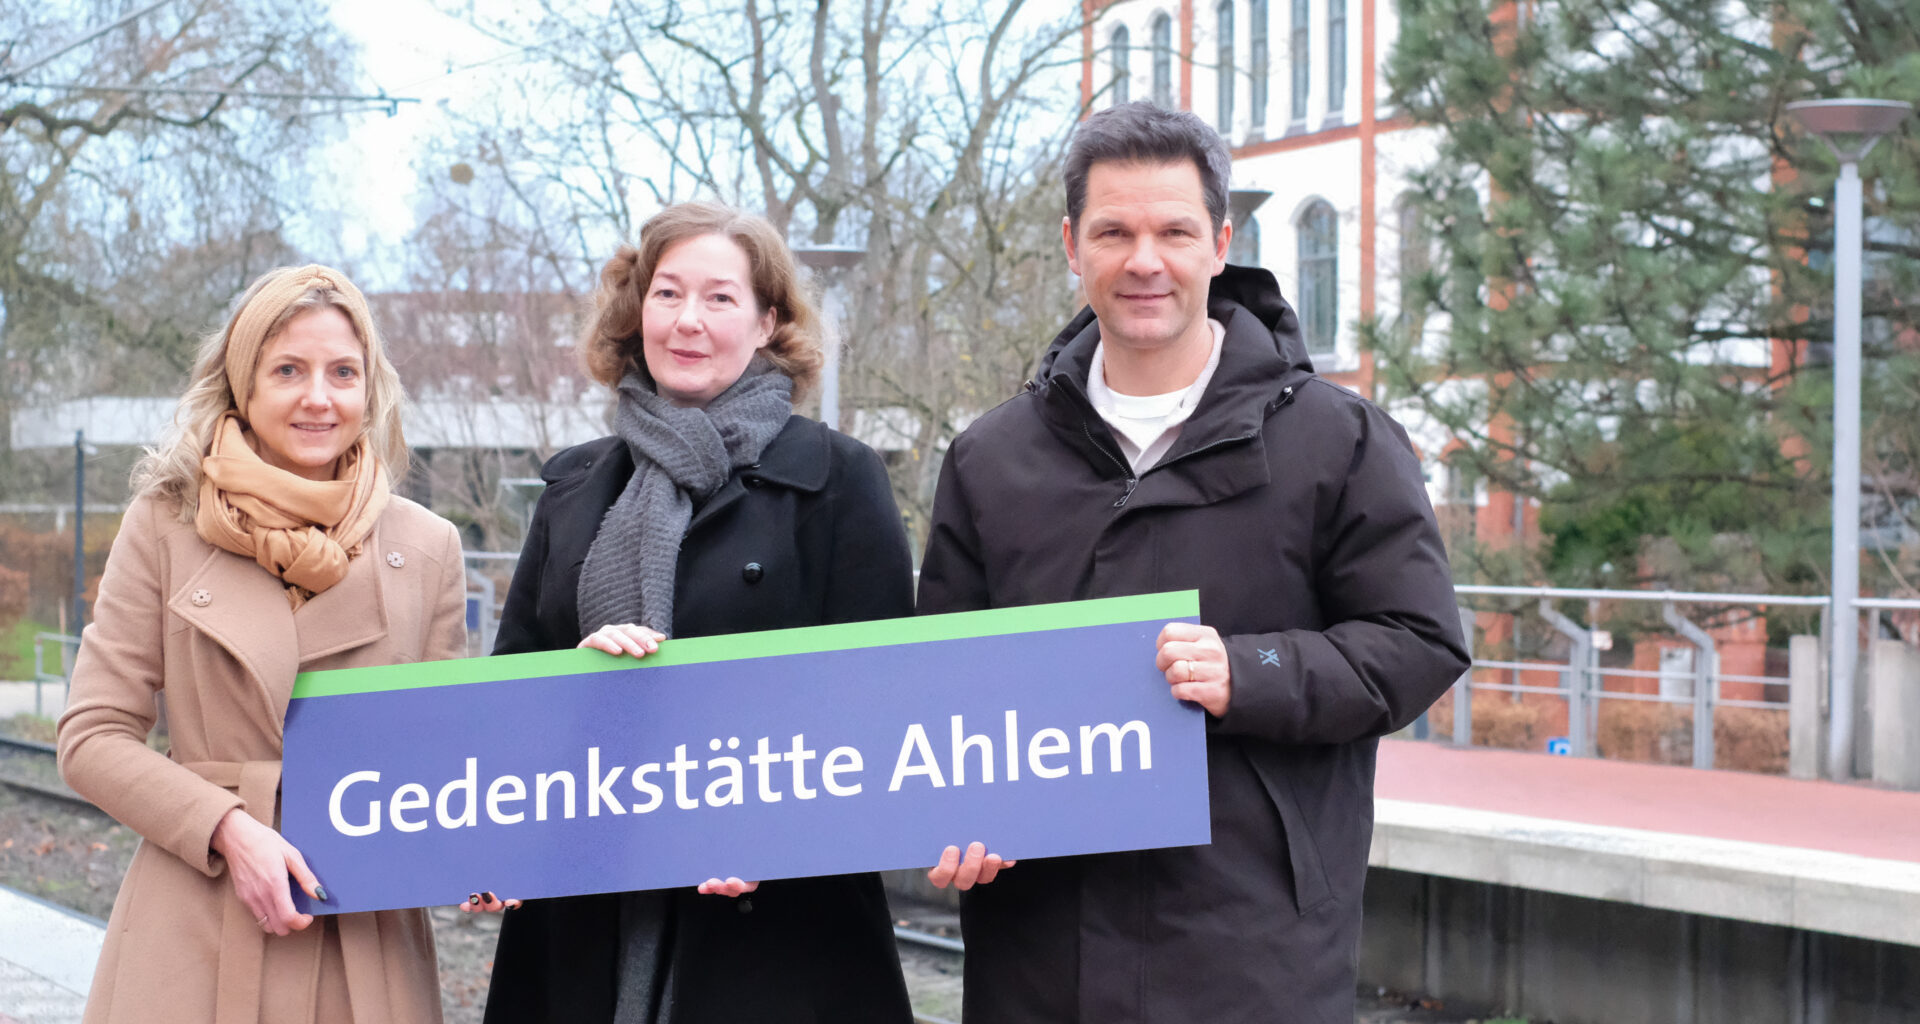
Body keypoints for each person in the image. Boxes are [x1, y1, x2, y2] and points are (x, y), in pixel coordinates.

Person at [916, 102, 1471, 1022]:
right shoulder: (990, 457)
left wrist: (1250, 668)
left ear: (1220, 243)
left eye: (1173, 231)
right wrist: (954, 818)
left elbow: (1417, 642)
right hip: (1036, 953)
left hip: (1252, 950)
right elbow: (946, 683)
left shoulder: (1339, 439)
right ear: (1071, 245)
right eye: (1114, 231)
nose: (1144, 260)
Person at [477, 201, 916, 1024]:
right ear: (635, 310)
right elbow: (509, 693)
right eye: (667, 293)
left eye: (719, 299)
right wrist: (577, 678)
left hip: (777, 936)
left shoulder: (838, 480)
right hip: (586, 919)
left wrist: (775, 834)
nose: (688, 321)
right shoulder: (574, 489)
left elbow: (882, 710)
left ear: (767, 323)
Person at [56, 265, 466, 1024]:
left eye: (344, 372)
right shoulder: (164, 525)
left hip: (361, 947)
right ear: (243, 384)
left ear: (370, 388)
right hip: (194, 931)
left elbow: (446, 761)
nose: (319, 397)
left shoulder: (428, 547)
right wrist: (227, 827)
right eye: (288, 370)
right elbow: (91, 736)